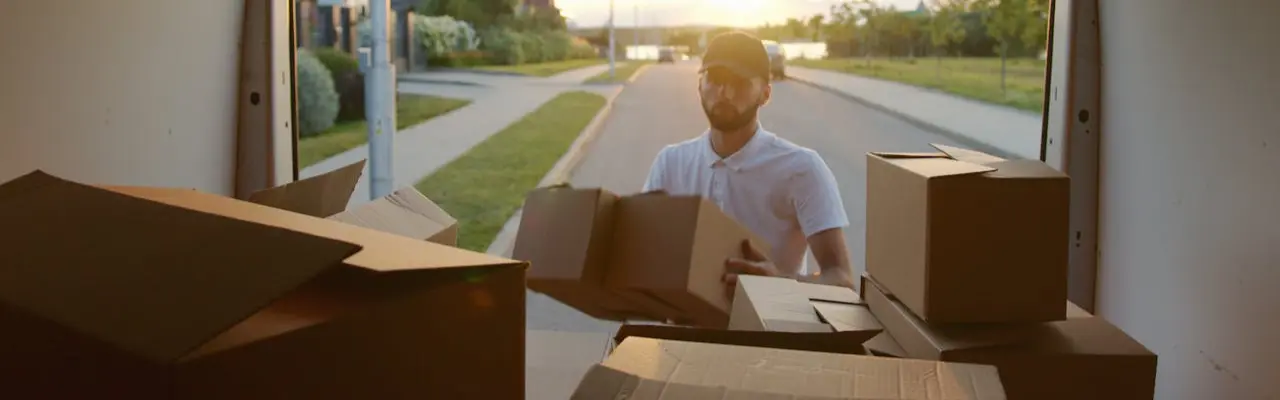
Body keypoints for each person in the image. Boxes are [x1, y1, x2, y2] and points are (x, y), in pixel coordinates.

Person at [641, 31, 856, 291]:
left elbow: (842, 279)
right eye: (715, 79)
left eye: (740, 82)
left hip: (768, 329)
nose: (725, 92)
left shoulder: (801, 169)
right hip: (686, 329)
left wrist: (780, 286)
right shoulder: (670, 164)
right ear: (699, 86)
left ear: (765, 94)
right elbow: (644, 254)